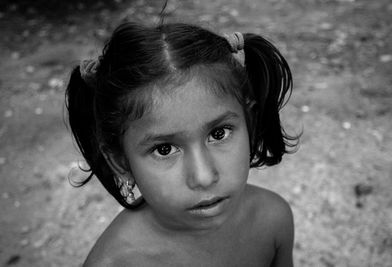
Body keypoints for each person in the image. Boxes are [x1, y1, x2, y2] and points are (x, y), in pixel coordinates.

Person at [65, 19, 298, 267]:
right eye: (164, 149)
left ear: (250, 123)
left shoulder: (272, 219)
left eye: (219, 134)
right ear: (121, 161)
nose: (204, 177)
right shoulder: (114, 263)